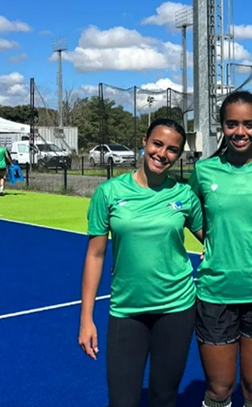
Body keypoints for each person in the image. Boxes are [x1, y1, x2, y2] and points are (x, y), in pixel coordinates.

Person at [78, 119, 204, 407]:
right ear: (145, 141)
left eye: (172, 149)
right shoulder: (109, 192)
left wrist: (211, 249)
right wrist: (86, 319)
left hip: (176, 309)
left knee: (164, 397)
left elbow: (212, 239)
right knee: (122, 400)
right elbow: (95, 255)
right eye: (157, 144)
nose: (162, 154)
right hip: (127, 309)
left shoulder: (184, 195)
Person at [189, 91, 252, 407]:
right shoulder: (204, 171)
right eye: (232, 124)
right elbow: (189, 213)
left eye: (248, 124)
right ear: (222, 126)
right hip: (216, 293)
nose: (240, 132)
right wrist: (213, 239)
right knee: (219, 390)